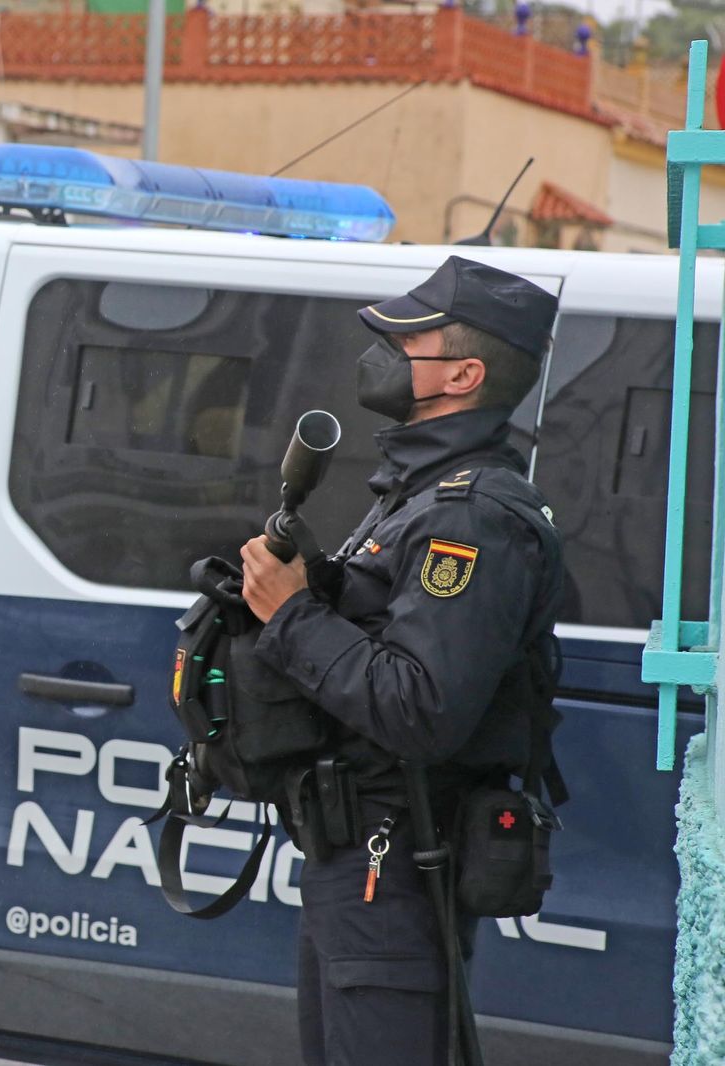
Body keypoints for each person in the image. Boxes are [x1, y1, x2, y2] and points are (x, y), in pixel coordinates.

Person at [238, 256, 565, 1065]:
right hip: (355, 854)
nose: (382, 348)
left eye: (406, 338)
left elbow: (420, 707)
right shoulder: (416, 494)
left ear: (464, 372)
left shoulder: (475, 517)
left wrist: (292, 614)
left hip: (397, 857)